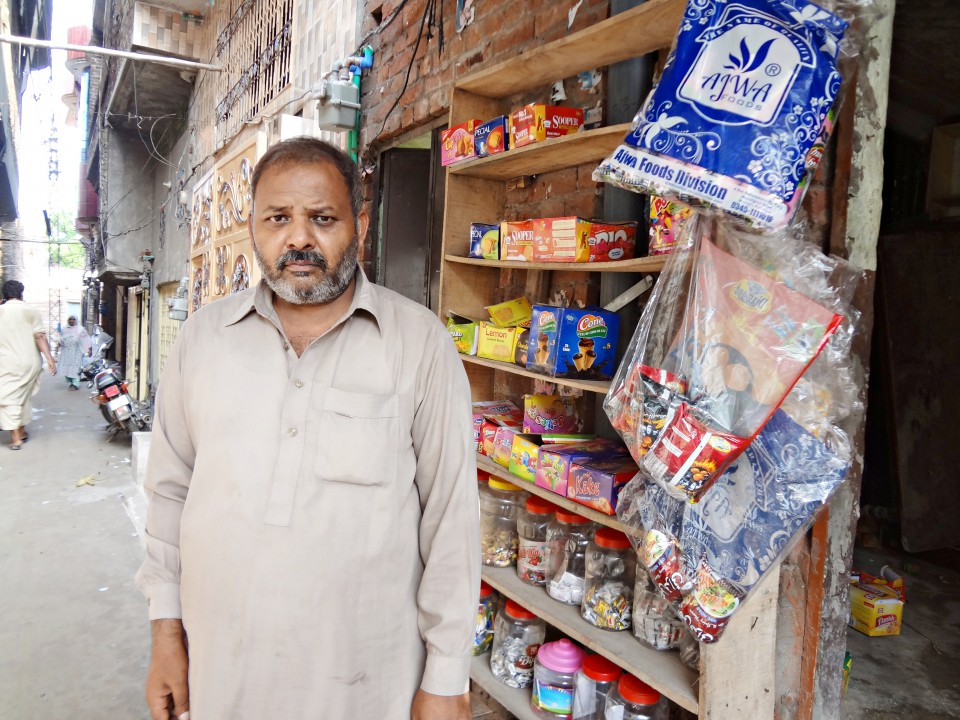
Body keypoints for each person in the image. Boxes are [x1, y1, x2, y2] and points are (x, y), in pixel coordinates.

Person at [137, 137, 479, 720]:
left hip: (367, 683)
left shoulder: (418, 343)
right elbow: (169, 495)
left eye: (322, 218)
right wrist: (166, 636)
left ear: (360, 223)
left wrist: (446, 678)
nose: (298, 239)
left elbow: (451, 521)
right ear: (253, 225)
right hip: (223, 670)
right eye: (278, 219)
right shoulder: (201, 339)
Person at [0, 280, 57, 449]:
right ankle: (22, 431)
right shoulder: (31, 311)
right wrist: (50, 359)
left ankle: (16, 439)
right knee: (23, 397)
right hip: (31, 362)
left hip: (7, 362)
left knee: (8, 398)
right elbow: (39, 336)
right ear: (21, 294)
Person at [57, 315, 92, 390]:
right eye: (70, 319)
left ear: (76, 320)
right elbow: (61, 339)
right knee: (67, 368)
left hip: (76, 352)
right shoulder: (64, 329)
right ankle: (71, 382)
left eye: (73, 319)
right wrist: (57, 347)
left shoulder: (80, 330)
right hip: (66, 352)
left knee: (76, 367)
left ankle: (75, 384)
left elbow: (87, 340)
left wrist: (89, 349)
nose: (72, 321)